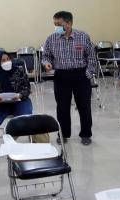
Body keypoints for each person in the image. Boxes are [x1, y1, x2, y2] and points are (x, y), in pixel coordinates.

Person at [42, 11, 97, 146]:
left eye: (59, 24)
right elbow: (46, 56)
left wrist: (88, 74)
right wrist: (46, 63)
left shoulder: (83, 37)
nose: (57, 28)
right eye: (55, 25)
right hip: (61, 76)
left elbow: (91, 58)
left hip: (81, 76)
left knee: (84, 107)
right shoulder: (51, 38)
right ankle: (64, 134)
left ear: (69, 23)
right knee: (62, 108)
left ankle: (85, 134)